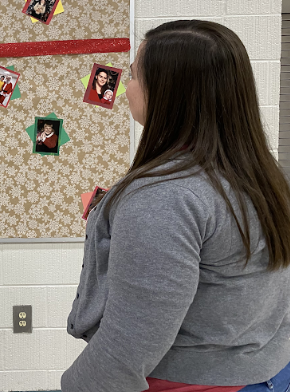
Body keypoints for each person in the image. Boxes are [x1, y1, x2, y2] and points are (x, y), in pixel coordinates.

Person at [61, 20, 290, 392]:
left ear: (169, 93)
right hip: (268, 373)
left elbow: (130, 342)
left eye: (134, 76)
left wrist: (76, 385)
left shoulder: (165, 196)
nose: (126, 88)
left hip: (189, 382)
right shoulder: (261, 177)